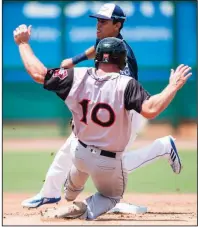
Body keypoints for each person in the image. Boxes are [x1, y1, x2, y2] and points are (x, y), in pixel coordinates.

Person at [13, 24, 191, 220]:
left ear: (97, 58)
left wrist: (23, 43)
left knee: (74, 158)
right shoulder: (127, 84)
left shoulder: (75, 76)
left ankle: (69, 189)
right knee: (112, 196)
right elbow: (150, 110)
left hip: (79, 153)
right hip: (108, 162)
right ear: (122, 60)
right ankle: (83, 206)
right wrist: (173, 86)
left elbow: (39, 74)